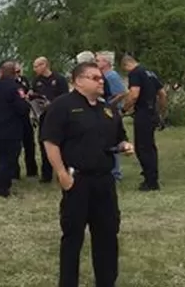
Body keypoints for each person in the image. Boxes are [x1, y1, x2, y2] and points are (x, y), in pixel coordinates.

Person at [40, 62, 135, 287]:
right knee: (73, 237)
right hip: (77, 181)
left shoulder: (107, 109)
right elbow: (50, 141)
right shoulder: (63, 106)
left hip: (104, 181)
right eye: (94, 77)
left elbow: (117, 138)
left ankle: (106, 281)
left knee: (107, 235)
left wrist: (125, 145)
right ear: (78, 80)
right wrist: (62, 174)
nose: (101, 81)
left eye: (101, 77)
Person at [0, 60, 30, 197]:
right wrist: (25, 101)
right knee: (9, 159)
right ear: (14, 73)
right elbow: (22, 108)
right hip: (11, 129)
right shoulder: (15, 88)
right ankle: (3, 188)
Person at [121, 54, 166, 191]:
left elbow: (134, 94)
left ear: (126, 65)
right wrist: (161, 112)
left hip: (143, 113)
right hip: (152, 112)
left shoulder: (135, 73)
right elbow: (163, 93)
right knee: (150, 146)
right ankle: (151, 175)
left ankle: (150, 181)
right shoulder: (150, 73)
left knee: (142, 147)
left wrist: (124, 109)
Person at [31, 57, 70, 183]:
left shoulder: (59, 79)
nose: (35, 69)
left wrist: (53, 104)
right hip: (43, 116)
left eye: (37, 66)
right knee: (44, 143)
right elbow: (34, 95)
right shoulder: (36, 81)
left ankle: (64, 172)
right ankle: (46, 174)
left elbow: (65, 98)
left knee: (62, 144)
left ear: (45, 65)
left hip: (59, 116)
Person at [96, 51, 127, 181]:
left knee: (113, 140)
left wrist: (109, 105)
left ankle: (115, 173)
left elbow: (121, 93)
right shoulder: (102, 75)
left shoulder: (111, 76)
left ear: (106, 62)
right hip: (104, 111)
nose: (96, 63)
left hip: (111, 112)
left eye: (98, 60)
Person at [13, 62, 38, 179]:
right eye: (16, 71)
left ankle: (32, 171)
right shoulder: (10, 83)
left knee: (30, 144)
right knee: (15, 146)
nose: (18, 73)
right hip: (15, 117)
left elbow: (28, 92)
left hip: (26, 116)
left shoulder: (24, 80)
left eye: (19, 71)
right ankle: (14, 173)